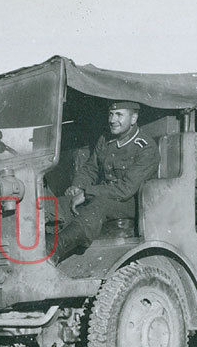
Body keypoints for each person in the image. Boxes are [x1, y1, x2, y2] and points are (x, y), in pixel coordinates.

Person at [50, 100, 160, 263]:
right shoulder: (105, 139)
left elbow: (126, 189)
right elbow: (91, 168)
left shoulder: (145, 147)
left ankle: (54, 250)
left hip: (134, 203)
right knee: (58, 204)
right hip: (106, 194)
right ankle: (39, 245)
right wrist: (77, 186)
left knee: (99, 204)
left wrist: (87, 193)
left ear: (133, 118)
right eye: (111, 114)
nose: (112, 120)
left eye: (119, 115)